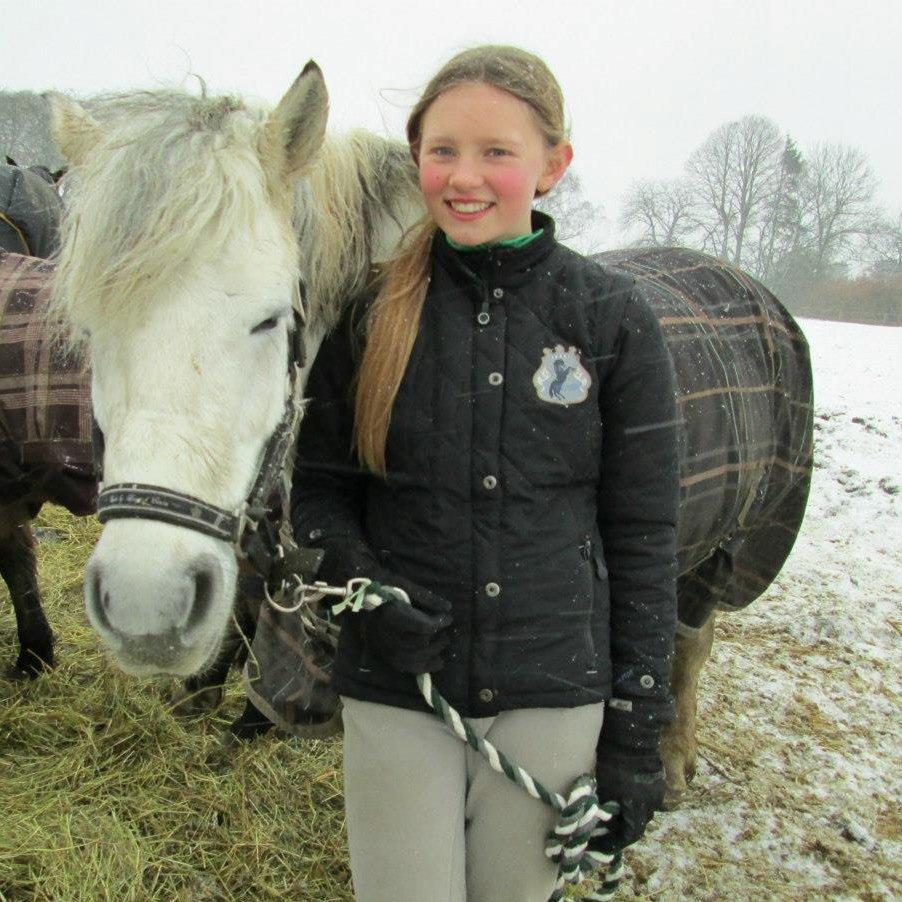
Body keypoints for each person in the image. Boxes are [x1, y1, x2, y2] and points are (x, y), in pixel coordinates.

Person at [291, 44, 679, 902]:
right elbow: (317, 493)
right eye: (443, 151)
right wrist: (363, 585)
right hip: (400, 697)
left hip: (554, 701)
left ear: (553, 166)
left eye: (497, 152)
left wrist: (637, 734)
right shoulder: (365, 314)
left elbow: (646, 537)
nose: (465, 177)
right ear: (416, 157)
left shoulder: (613, 320)